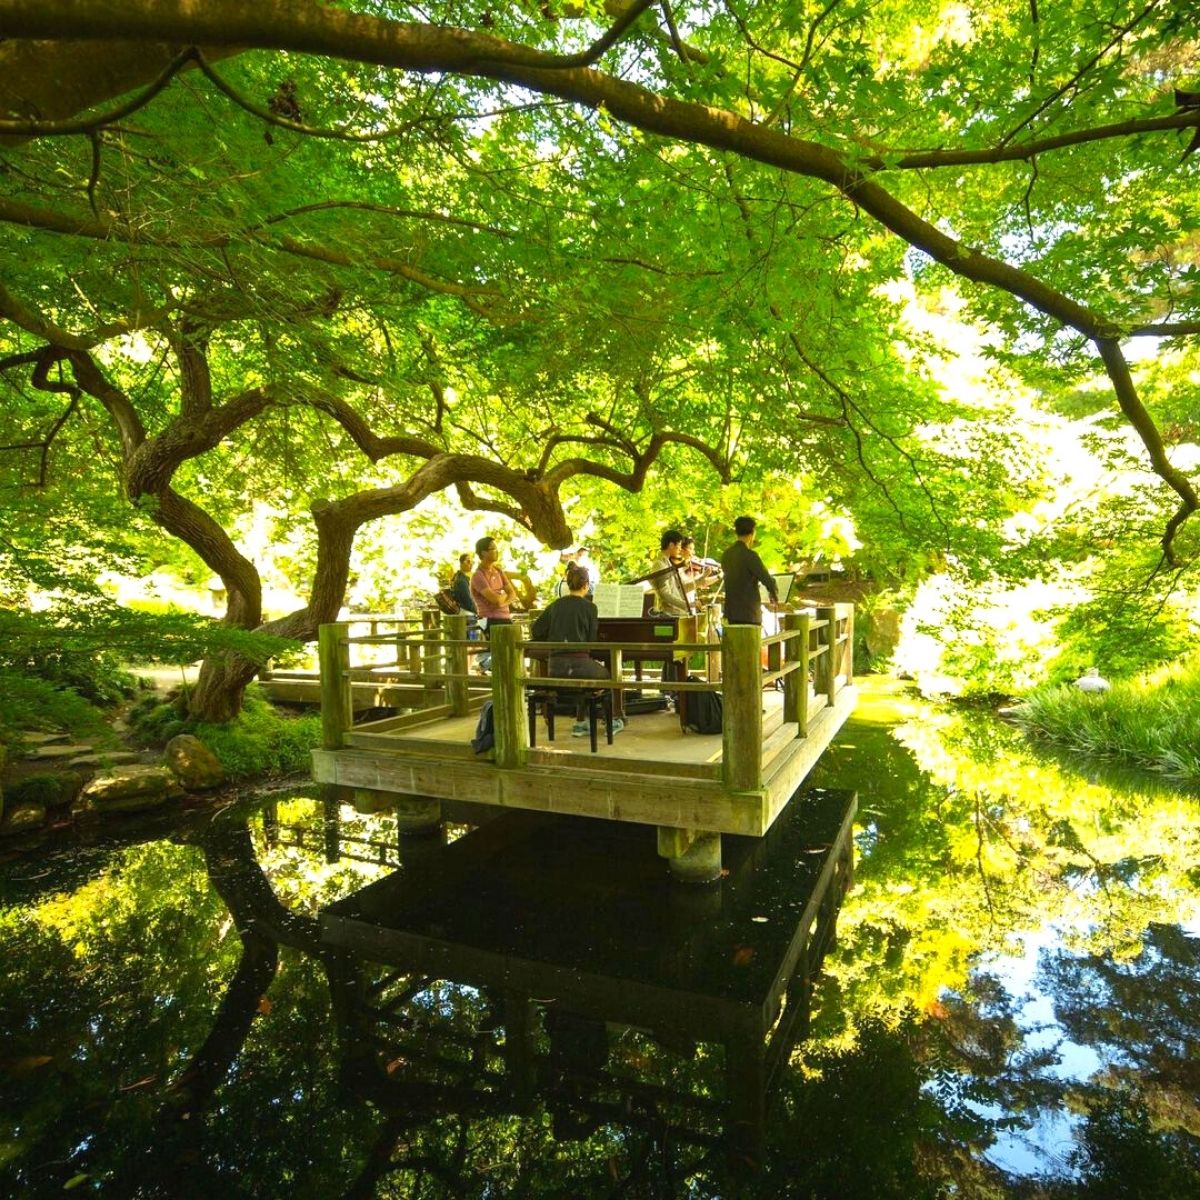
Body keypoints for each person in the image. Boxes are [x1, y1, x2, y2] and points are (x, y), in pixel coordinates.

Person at [531, 561, 623, 737]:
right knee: (611, 676)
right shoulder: (590, 607)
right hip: (579, 665)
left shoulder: (555, 605)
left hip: (555, 667)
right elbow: (591, 641)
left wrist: (554, 638)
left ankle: (582, 722)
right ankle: (613, 719)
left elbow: (536, 630)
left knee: (588, 679)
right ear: (586, 585)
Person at [720, 515, 777, 625]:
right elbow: (766, 579)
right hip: (749, 612)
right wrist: (773, 592)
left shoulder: (726, 554)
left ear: (736, 532)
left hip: (731, 611)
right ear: (752, 533)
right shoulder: (750, 555)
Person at [649, 529, 693, 616]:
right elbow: (665, 594)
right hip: (669, 615)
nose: (680, 549)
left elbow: (680, 588)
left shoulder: (668, 563)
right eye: (679, 545)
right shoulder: (659, 564)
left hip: (676, 613)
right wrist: (686, 605)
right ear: (671, 545)